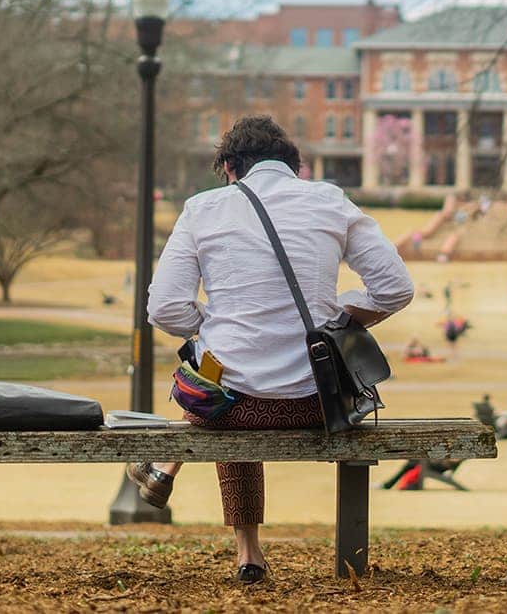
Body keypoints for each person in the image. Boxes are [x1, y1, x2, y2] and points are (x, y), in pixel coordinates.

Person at [128, 116, 414, 584]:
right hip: (321, 404)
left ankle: (247, 550)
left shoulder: (204, 209)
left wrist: (218, 329)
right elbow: (394, 289)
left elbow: (163, 309)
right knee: (229, 379)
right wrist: (336, 320)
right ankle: (182, 485)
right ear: (294, 166)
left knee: (220, 384)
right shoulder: (330, 200)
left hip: (232, 408)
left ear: (228, 167)